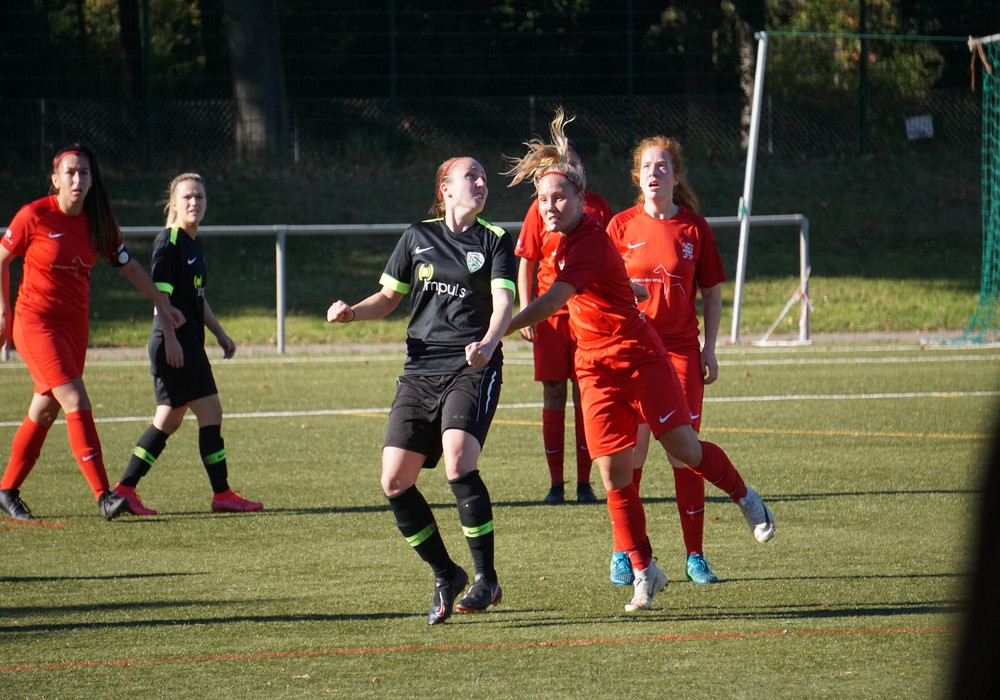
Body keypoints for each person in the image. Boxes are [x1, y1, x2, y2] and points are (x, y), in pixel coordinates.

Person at [504, 110, 775, 613]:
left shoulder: (588, 237)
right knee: (615, 476)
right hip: (594, 368)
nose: (549, 207)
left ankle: (744, 496)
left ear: (581, 198)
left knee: (684, 450)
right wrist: (626, 287)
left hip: (641, 358)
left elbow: (555, 298)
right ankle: (646, 569)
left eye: (558, 197)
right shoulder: (577, 238)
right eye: (542, 200)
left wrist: (498, 330)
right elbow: (600, 280)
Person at [327, 156, 516, 625]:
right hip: (419, 372)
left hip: (471, 366)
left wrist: (488, 344)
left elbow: (504, 303)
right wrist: (352, 312)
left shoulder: (494, 239)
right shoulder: (416, 237)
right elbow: (387, 298)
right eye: (470, 176)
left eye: (483, 177)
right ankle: (446, 573)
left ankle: (486, 578)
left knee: (458, 460)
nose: (481, 182)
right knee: (394, 481)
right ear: (445, 189)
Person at [0, 143, 184, 521]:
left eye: (84, 173)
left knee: (45, 409)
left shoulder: (97, 222)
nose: (78, 179)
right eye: (70, 172)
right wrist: (3, 310)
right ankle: (104, 496)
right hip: (35, 324)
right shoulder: (34, 215)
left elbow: (128, 265)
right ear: (55, 180)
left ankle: (6, 490)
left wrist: (161, 302)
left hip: (75, 328)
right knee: (75, 399)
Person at [605, 137, 725, 586]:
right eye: (646, 167)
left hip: (680, 353)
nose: (654, 173)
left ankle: (695, 556)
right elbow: (600, 288)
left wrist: (709, 348)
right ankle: (624, 552)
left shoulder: (694, 228)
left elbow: (712, 292)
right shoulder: (619, 227)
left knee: (684, 454)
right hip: (634, 352)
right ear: (637, 177)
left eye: (662, 166)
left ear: (676, 175)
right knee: (631, 452)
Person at [111, 173, 263, 516]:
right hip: (176, 343)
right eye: (188, 197)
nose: (195, 202)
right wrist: (171, 340)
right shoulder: (169, 242)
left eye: (200, 197)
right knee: (210, 412)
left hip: (186, 341)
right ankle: (222, 495)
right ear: (174, 203)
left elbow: (197, 298)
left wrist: (220, 333)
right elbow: (160, 299)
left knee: (168, 420)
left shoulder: (193, 243)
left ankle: (124, 490)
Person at [515, 135, 612, 505]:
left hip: (589, 316)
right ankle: (556, 484)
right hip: (551, 317)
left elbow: (611, 259)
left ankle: (585, 483)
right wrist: (526, 310)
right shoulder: (540, 207)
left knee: (586, 394)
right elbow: (526, 260)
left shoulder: (599, 208)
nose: (563, 169)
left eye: (570, 163)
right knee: (554, 391)